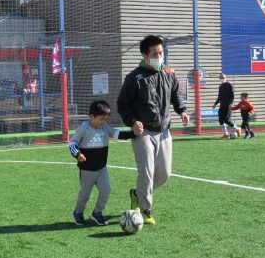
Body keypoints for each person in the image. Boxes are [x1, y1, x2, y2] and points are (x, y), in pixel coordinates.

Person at [117, 34, 190, 225]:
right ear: (144, 55)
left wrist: (182, 110)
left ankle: (136, 194)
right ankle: (146, 209)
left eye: (161, 52)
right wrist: (133, 122)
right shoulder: (134, 78)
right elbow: (123, 105)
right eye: (155, 53)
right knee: (147, 172)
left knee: (164, 174)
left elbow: (175, 95)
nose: (160, 56)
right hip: (143, 133)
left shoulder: (168, 73)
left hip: (164, 131)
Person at [69, 100, 135, 226]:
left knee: (106, 191)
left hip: (101, 169)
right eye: (101, 119)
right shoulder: (84, 129)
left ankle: (97, 213)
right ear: (92, 116)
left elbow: (117, 133)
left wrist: (133, 134)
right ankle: (78, 212)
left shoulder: (105, 128)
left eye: (105, 119)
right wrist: (78, 154)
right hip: (87, 170)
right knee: (85, 194)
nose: (103, 122)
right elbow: (72, 143)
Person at [212, 73, 241, 138]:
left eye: (223, 78)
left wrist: (230, 103)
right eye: (220, 78)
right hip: (222, 105)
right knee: (221, 120)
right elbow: (219, 97)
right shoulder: (220, 86)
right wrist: (215, 104)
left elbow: (232, 96)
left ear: (226, 78)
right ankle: (226, 134)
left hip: (228, 106)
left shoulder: (229, 85)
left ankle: (237, 128)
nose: (221, 79)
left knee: (226, 120)